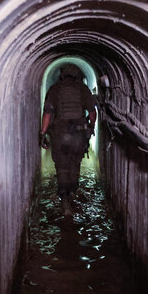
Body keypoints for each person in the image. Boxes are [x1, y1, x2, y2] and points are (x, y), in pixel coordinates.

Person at [40, 64, 97, 215]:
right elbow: (92, 112)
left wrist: (42, 133)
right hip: (78, 134)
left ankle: (64, 198)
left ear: (62, 75)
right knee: (75, 163)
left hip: (59, 134)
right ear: (77, 75)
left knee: (61, 165)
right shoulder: (83, 89)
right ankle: (72, 192)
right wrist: (91, 126)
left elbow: (47, 114)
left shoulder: (55, 89)